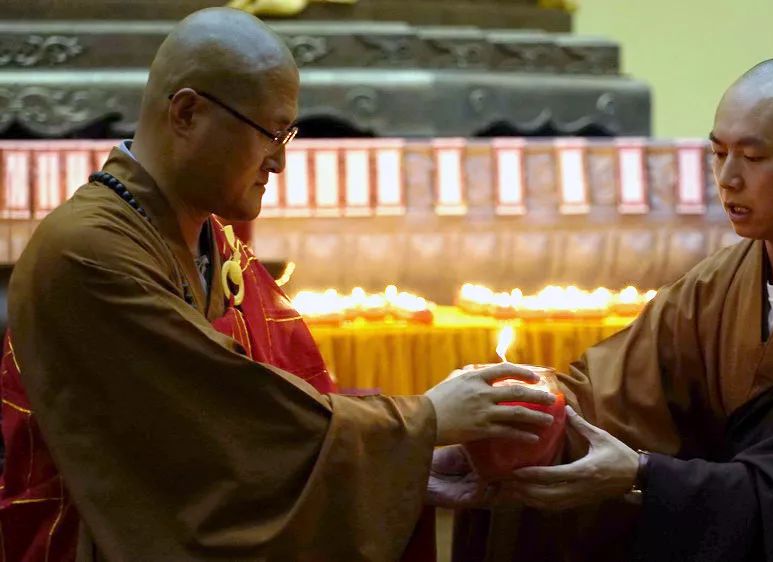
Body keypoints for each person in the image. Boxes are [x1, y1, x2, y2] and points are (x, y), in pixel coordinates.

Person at [0, 8, 556, 561]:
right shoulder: (87, 251)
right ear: (188, 112)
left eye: (287, 134)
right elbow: (235, 418)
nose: (280, 162)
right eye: (269, 133)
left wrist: (399, 465)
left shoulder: (216, 243)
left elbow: (290, 415)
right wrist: (424, 421)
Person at [452, 58, 773, 561]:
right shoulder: (719, 282)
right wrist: (508, 426)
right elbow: (613, 396)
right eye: (718, 153)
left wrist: (644, 475)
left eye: (753, 158)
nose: (728, 178)